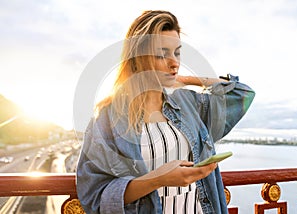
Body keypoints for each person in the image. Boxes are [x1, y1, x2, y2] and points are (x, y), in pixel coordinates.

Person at [76, 10, 255, 214]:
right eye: (162, 54)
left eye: (177, 53)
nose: (174, 63)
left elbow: (242, 94)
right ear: (137, 58)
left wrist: (187, 80)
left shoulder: (189, 104)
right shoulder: (108, 118)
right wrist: (158, 179)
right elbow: (95, 196)